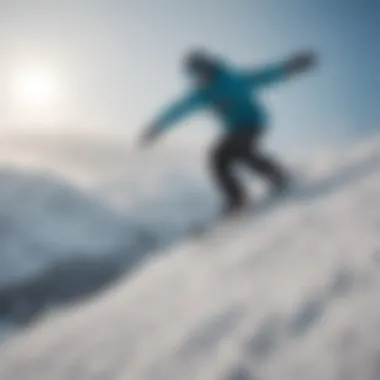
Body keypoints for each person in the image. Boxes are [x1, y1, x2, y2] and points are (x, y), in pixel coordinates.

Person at [141, 49, 316, 217]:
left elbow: (265, 76)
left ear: (208, 65)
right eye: (194, 74)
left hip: (252, 122)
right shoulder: (202, 94)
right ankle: (237, 198)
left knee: (238, 151)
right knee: (219, 160)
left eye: (200, 70)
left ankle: (278, 178)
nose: (200, 77)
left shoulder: (232, 79)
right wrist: (157, 127)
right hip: (234, 130)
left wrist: (291, 67)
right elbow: (179, 109)